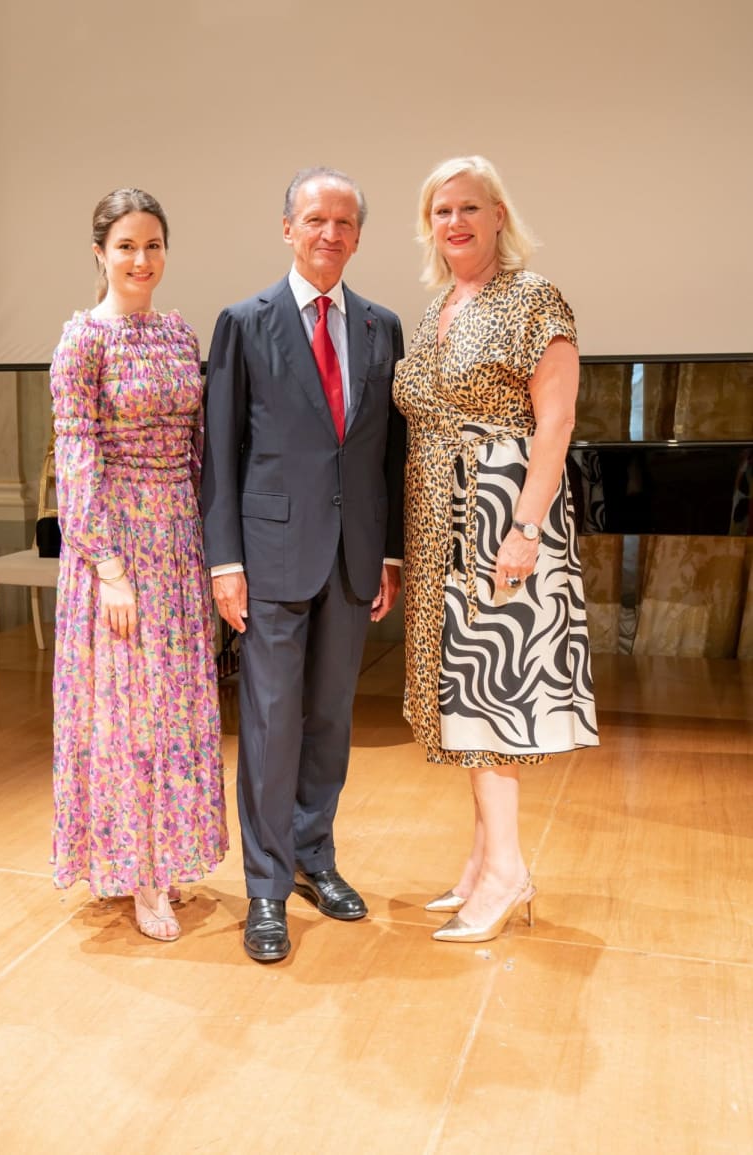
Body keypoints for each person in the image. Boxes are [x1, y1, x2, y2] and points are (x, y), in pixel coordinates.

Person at [202, 166, 406, 963]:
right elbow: (221, 451)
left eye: (345, 222)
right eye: (316, 219)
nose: (330, 234)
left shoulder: (382, 326)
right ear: (287, 228)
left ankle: (314, 857)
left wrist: (387, 550)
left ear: (358, 236)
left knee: (330, 719)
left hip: (354, 560)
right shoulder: (243, 323)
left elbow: (387, 453)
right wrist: (224, 561)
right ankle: (264, 885)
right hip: (271, 556)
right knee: (269, 721)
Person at [392, 156, 599, 944]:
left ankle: (509, 870)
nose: (455, 223)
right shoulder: (436, 307)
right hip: (438, 518)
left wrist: (524, 528)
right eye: (442, 211)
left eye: (470, 208)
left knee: (490, 691)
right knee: (458, 693)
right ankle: (485, 860)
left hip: (501, 510)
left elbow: (556, 420)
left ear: (499, 216)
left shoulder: (534, 299)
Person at [50, 188, 227, 942]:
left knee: (177, 708)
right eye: (126, 245)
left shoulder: (179, 332)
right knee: (130, 715)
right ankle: (139, 872)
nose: (141, 259)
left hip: (177, 544)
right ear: (100, 252)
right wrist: (108, 566)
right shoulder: (83, 338)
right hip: (115, 547)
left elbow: (196, 449)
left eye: (153, 244)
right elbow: (77, 454)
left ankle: (168, 853)